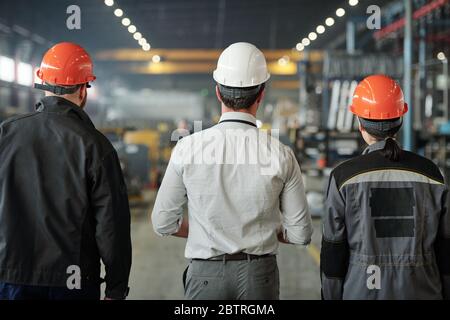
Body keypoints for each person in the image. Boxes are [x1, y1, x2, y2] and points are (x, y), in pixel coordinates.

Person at [152, 42, 312, 300]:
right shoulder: (281, 154)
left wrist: (210, 231)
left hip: (205, 276)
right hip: (259, 276)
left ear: (218, 92)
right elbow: (301, 233)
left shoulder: (187, 148)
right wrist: (261, 231)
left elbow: (162, 222)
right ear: (261, 94)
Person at [0, 42, 132, 300]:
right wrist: (116, 288)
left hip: (8, 277)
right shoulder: (96, 145)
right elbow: (111, 226)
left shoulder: (5, 134)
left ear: (42, 83)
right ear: (83, 89)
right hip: (72, 283)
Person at [320, 74, 449, 300]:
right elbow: (446, 248)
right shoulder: (432, 174)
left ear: (360, 123)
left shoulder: (344, 177)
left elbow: (333, 250)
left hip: (362, 291)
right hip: (422, 290)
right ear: (400, 120)